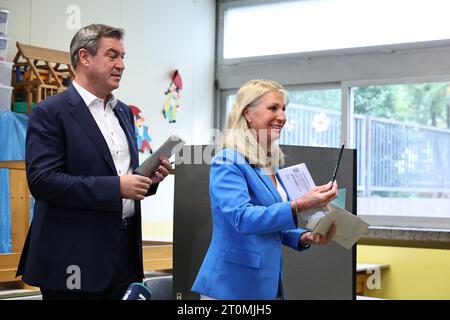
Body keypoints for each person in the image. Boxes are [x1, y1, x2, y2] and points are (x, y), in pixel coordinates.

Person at [16, 24, 172, 300]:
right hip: (72, 260)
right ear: (84, 57)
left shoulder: (123, 112)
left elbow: (121, 178)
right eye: (112, 55)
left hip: (124, 256)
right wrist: (116, 187)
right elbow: (42, 182)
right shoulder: (51, 112)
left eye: (123, 56)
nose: (121, 65)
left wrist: (148, 181)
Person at [191, 79, 338, 300]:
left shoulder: (270, 164)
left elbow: (272, 223)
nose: (282, 116)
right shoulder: (227, 160)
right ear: (247, 114)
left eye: (284, 109)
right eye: (273, 108)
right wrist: (299, 204)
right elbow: (242, 217)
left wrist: (305, 237)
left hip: (265, 284)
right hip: (231, 286)